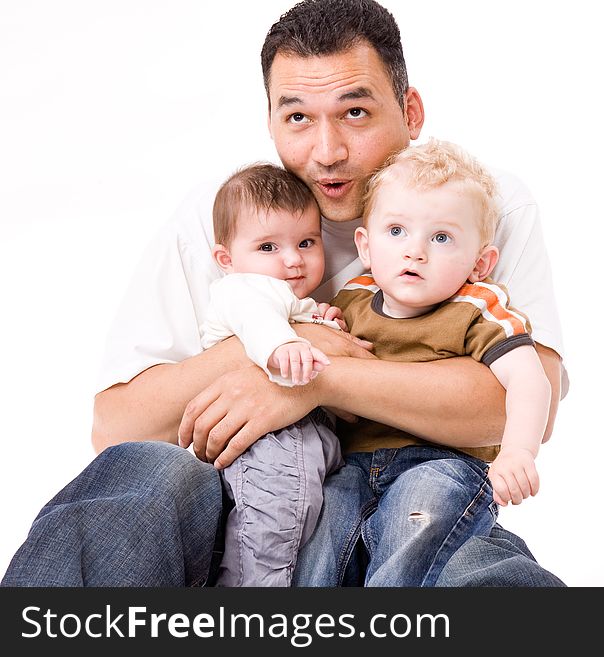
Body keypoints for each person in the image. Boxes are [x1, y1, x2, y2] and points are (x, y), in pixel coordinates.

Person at [2, 0, 566, 587]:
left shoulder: (470, 203)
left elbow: (521, 404)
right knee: (146, 472)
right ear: (270, 120)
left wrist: (311, 381)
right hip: (238, 514)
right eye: (297, 118)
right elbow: (117, 427)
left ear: (410, 110)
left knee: (484, 573)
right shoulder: (228, 213)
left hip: (408, 501)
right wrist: (278, 345)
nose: (327, 151)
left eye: (355, 111)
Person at [306, 138, 550, 586]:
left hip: (441, 464)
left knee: (418, 521)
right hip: (352, 465)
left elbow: (530, 379)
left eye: (440, 238)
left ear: (480, 263)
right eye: (396, 231)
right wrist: (323, 326)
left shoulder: (476, 307)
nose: (414, 251)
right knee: (319, 538)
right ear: (365, 244)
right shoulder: (354, 299)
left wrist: (518, 450)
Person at [202, 163, 345, 586]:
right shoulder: (243, 289)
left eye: (306, 242)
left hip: (307, 434)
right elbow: (257, 320)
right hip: (272, 438)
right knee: (272, 528)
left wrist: (323, 323)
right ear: (227, 259)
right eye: (268, 247)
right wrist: (285, 346)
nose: (292, 259)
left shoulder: (289, 299)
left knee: (299, 530)